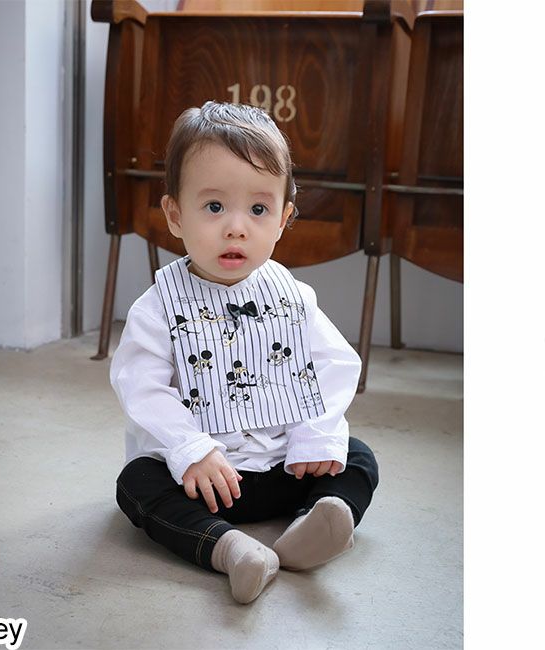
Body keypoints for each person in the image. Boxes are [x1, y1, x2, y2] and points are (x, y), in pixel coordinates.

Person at [110, 101, 379, 604]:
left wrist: (313, 438)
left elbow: (334, 365)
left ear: (282, 219)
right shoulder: (158, 308)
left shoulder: (292, 296)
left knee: (358, 456)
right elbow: (141, 387)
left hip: (284, 464)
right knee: (136, 483)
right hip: (203, 479)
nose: (237, 227)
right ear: (175, 214)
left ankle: (315, 526)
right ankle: (229, 548)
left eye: (258, 210)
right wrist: (192, 450)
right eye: (214, 207)